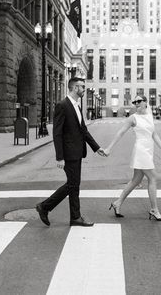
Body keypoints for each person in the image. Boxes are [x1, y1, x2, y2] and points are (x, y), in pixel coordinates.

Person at [36, 77, 105, 227]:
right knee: (73, 184)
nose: (84, 89)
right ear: (74, 88)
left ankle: (75, 217)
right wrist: (59, 157)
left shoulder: (76, 106)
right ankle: (45, 206)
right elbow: (57, 133)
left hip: (78, 152)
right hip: (68, 154)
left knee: (74, 184)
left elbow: (83, 131)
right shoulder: (62, 105)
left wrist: (96, 147)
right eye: (82, 87)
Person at [104, 95, 161, 221]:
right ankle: (154, 209)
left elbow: (154, 134)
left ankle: (117, 203)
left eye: (139, 101)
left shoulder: (150, 116)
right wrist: (109, 148)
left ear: (146, 103)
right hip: (141, 150)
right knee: (153, 177)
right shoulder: (133, 118)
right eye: (135, 102)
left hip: (148, 150)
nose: (136, 103)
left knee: (136, 180)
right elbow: (120, 133)